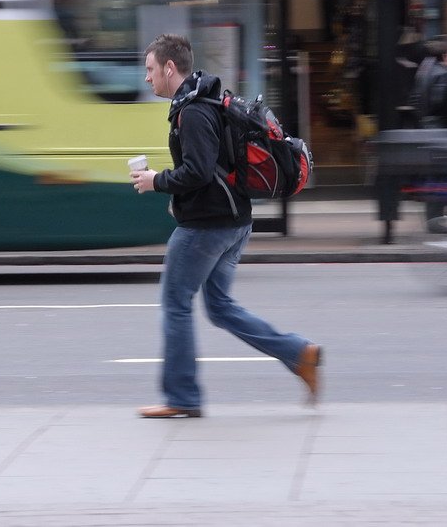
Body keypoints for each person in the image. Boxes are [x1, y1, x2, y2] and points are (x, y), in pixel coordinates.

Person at [129, 34, 322, 419]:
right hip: (233, 224)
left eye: (150, 69)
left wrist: (158, 181)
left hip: (208, 227)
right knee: (219, 307)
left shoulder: (194, 111)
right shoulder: (205, 101)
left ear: (170, 68)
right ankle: (299, 354)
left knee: (175, 304)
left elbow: (198, 172)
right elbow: (211, 171)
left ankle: (182, 397)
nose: (147, 78)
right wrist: (179, 199)